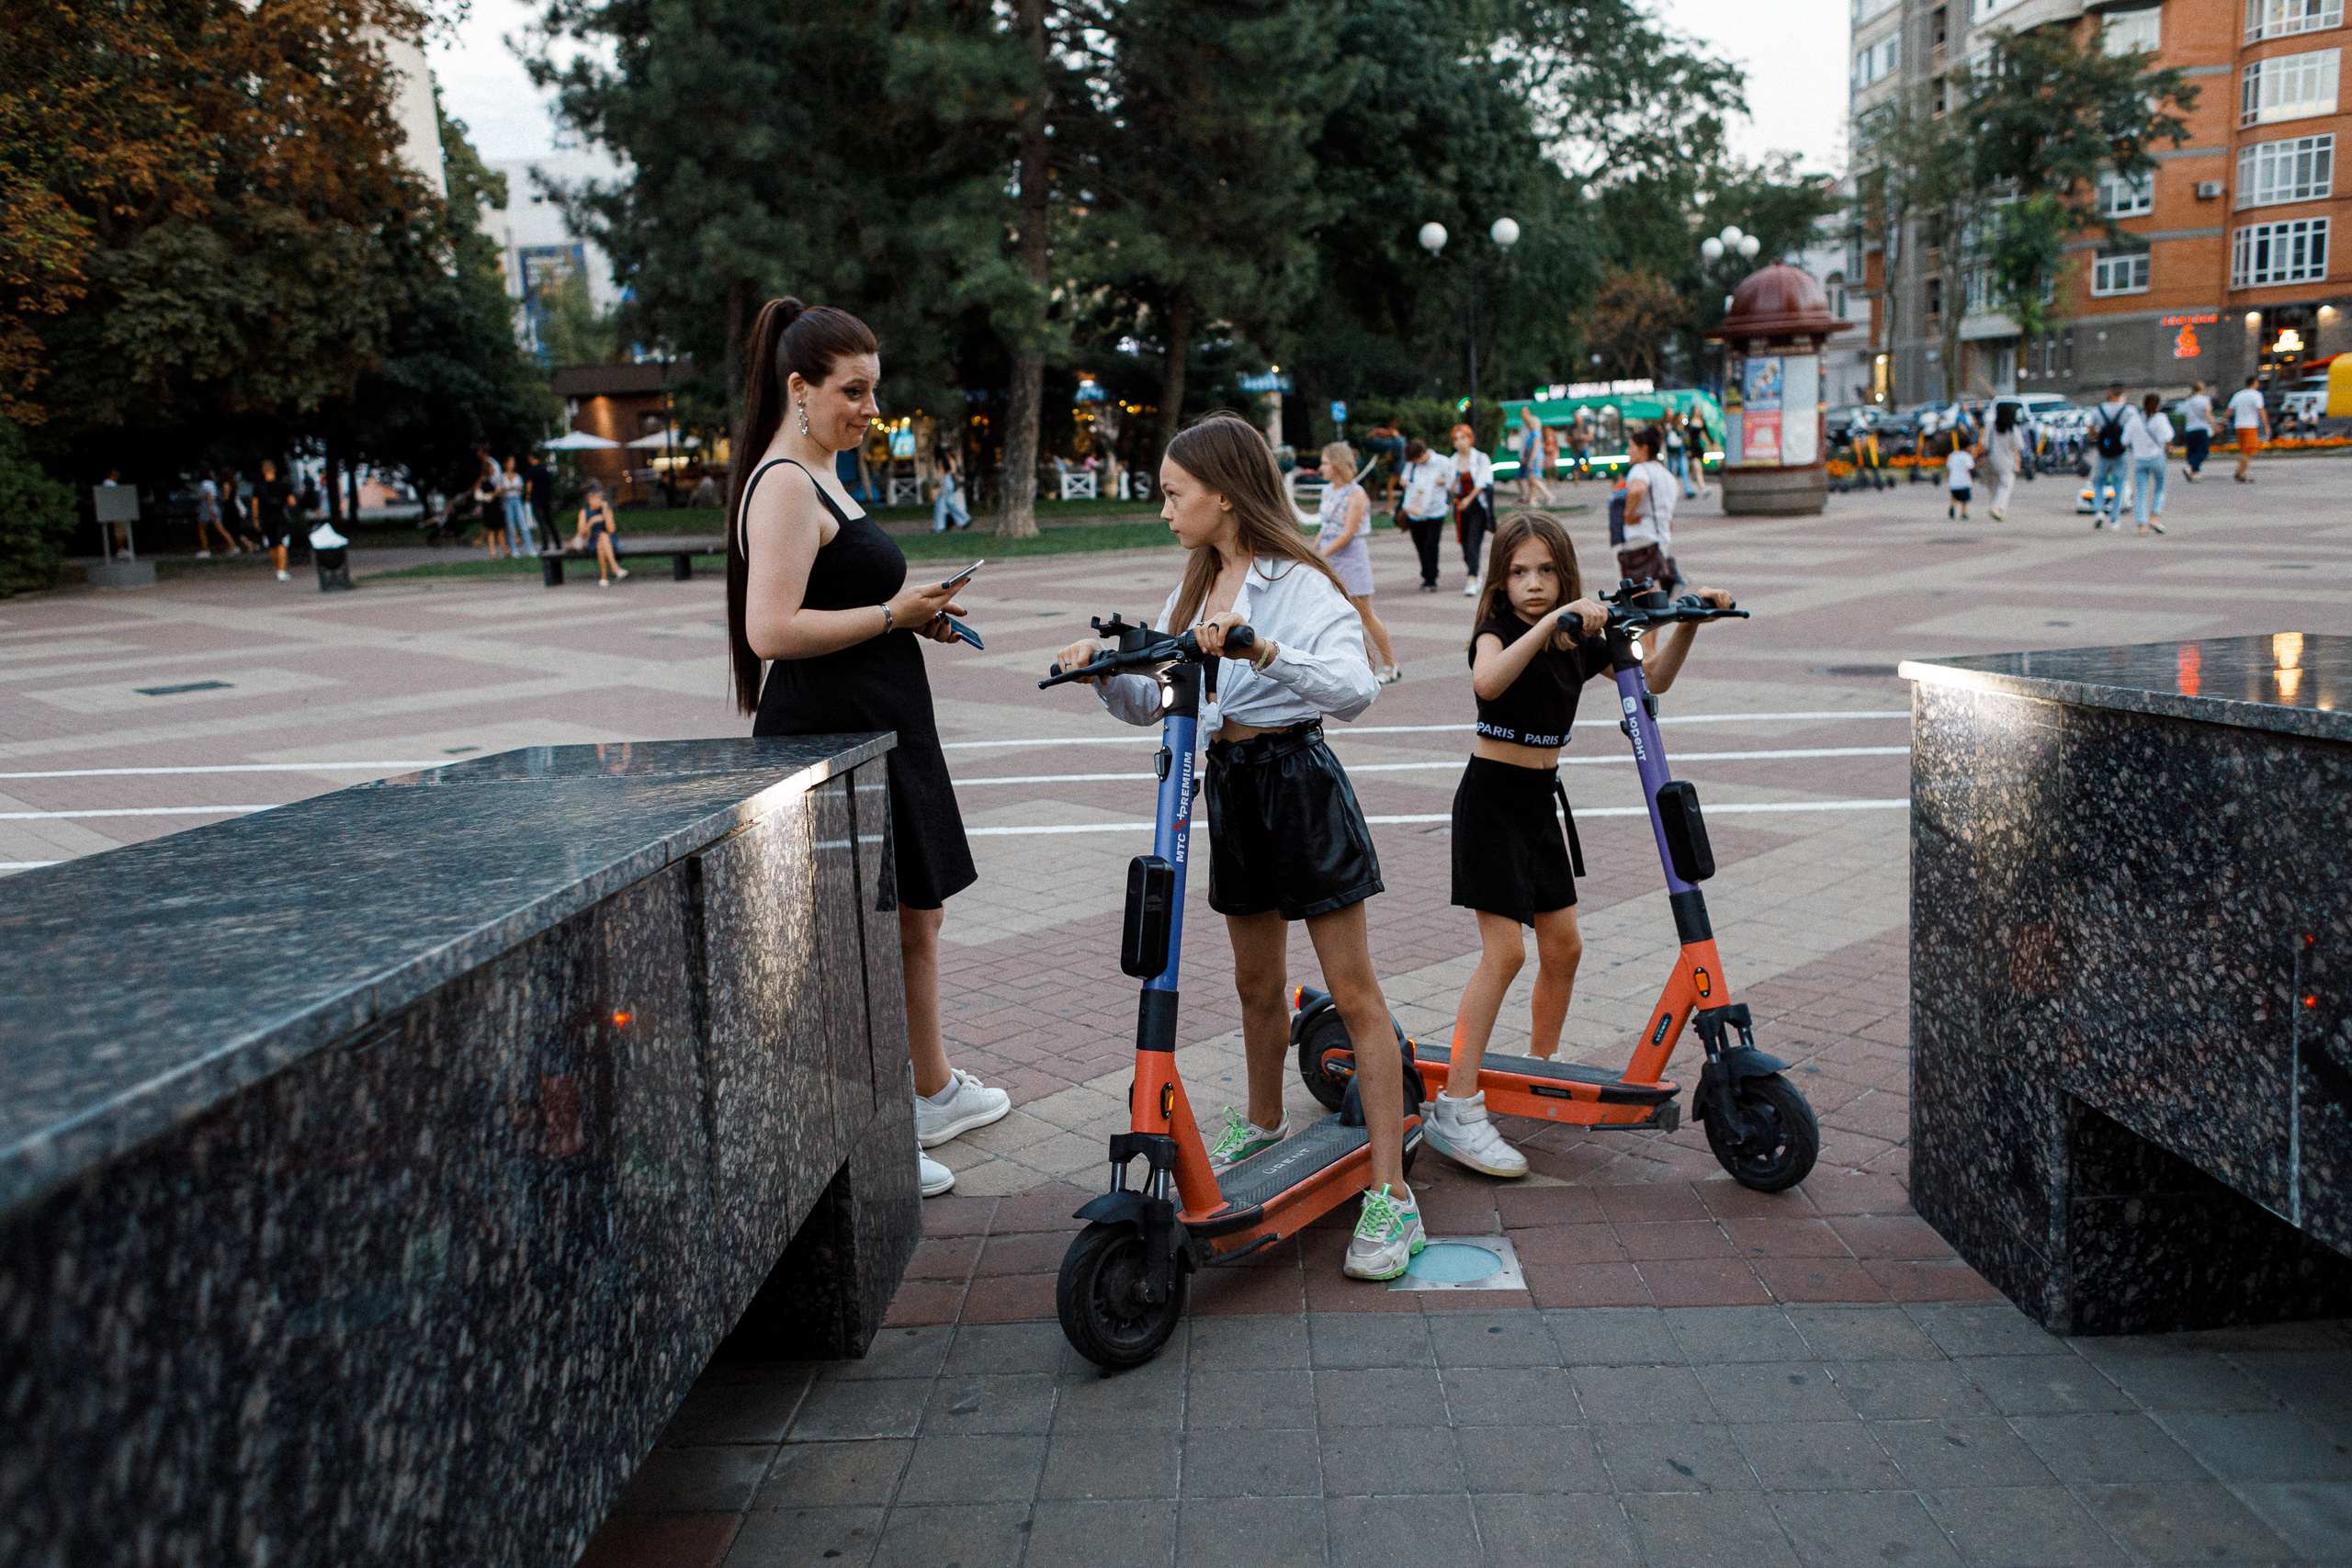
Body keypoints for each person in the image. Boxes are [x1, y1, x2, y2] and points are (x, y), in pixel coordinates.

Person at [1053, 412, 1416, 1278]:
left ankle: (1393, 1197)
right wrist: (1108, 674)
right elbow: (1167, 705)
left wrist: (1265, 646)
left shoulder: (1299, 584)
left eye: (1175, 493)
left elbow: (1356, 686)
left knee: (1354, 991)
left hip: (1299, 781)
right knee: (1257, 983)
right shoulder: (1198, 585)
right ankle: (1261, 1125)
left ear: (1222, 492)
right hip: (1231, 788)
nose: (1166, 509)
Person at [729, 297, 1009, 1201]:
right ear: (799, 387)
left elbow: (834, 603)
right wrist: (894, 613)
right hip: (829, 736)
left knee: (914, 915)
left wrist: (909, 620)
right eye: (854, 391)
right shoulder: (783, 482)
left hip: (880, 719)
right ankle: (873, 1129)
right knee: (856, 944)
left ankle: (928, 1091)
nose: (869, 410)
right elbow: (770, 628)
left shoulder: (824, 471)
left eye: (873, 391)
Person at [1431, 512, 1732, 1176]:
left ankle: (1538, 1069)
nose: (1532, 584)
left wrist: (1684, 624)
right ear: (1499, 582)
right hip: (1491, 802)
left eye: (1545, 571)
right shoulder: (1501, 629)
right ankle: (1456, 1106)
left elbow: (1652, 678)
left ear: (1566, 573)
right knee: (1504, 954)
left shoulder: (1578, 637)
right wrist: (1551, 622)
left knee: (1564, 947)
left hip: (1541, 804)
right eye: (1518, 573)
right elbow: (1487, 681)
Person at [1314, 442, 1399, 683]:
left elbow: (1348, 533)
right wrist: (1312, 550)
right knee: (1334, 613)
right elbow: (1326, 527)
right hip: (1330, 554)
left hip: (1350, 557)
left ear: (1338, 466)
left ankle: (1390, 664)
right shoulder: (1328, 491)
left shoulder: (1357, 494)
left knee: (1364, 614)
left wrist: (1322, 554)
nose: (1322, 468)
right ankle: (1352, 663)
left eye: (1326, 463)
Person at [1614, 427, 1680, 594]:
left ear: (1644, 448)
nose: (1628, 451)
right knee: (1652, 593)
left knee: (1637, 592)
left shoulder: (1640, 470)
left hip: (1640, 540)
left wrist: (1628, 514)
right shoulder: (1667, 475)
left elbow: (1637, 489)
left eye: (1631, 447)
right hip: (1661, 540)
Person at [1398, 436, 1453, 593]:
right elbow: (1403, 479)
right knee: (1419, 544)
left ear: (1423, 454)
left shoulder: (1441, 462)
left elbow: (1451, 481)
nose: (1416, 462)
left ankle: (1431, 577)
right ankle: (1425, 573)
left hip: (1435, 510)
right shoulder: (1411, 465)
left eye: (1417, 459)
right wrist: (1407, 484)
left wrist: (1443, 482)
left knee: (1431, 544)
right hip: (1415, 510)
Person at [1449, 423, 1496, 597]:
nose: (1460, 442)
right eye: (1456, 439)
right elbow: (1450, 484)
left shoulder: (1481, 458)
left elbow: (1483, 481)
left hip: (1477, 506)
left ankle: (1473, 577)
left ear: (1470, 439)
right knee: (1464, 542)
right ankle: (1473, 571)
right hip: (1460, 506)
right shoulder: (1451, 461)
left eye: (1463, 437)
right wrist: (1449, 486)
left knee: (1473, 542)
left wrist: (1469, 498)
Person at [2088, 384, 2134, 530]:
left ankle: (2099, 512)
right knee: (2119, 484)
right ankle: (2114, 520)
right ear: (2122, 394)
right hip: (2121, 452)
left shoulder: (2098, 411)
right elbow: (2131, 432)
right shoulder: (2128, 411)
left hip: (2103, 452)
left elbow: (2091, 434)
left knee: (2098, 482)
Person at [2128, 391, 2172, 536]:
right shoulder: (2160, 418)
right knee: (2160, 488)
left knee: (2141, 492)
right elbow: (2168, 436)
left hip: (2140, 459)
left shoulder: (2135, 420)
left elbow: (2124, 440)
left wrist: (2135, 448)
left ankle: (2142, 526)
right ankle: (2154, 517)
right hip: (2157, 456)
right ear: (2158, 405)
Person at [254, 459, 298, 581]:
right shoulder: (283, 485)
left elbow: (254, 505)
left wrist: (256, 520)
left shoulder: (259, 486)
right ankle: (282, 571)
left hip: (265, 518)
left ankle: (277, 568)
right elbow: (292, 501)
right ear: (274, 470)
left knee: (272, 545)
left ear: (263, 471)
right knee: (282, 543)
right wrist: (284, 505)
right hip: (280, 516)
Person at [577, 481, 628, 586]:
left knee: (603, 537)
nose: (596, 500)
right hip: (591, 541)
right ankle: (614, 568)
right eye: (594, 498)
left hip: (609, 541)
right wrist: (591, 522)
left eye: (598, 498)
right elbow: (581, 534)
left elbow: (611, 529)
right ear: (589, 499)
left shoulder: (606, 509)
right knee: (601, 539)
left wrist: (605, 511)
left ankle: (604, 577)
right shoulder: (584, 512)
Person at [1980, 403, 2024, 521]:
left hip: (1992, 460)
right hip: (2007, 461)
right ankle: (1997, 507)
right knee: (2006, 485)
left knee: (1993, 486)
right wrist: (2018, 463)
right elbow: (2017, 448)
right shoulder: (2013, 428)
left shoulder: (1990, 426)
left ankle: (1997, 508)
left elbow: (1984, 444)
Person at [2229, 374, 2269, 483]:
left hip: (2239, 426)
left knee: (2243, 450)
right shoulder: (2256, 395)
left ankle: (2239, 470)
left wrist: (2222, 421)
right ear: (2255, 383)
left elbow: (2230, 410)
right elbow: (2261, 410)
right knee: (2247, 451)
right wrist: (2266, 425)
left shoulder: (2238, 395)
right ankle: (2241, 475)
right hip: (2250, 426)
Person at [194, 474, 237, 558]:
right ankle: (233, 546)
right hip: (213, 505)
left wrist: (211, 510)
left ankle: (205, 550)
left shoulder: (204, 483)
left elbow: (208, 496)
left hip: (207, 506)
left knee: (202, 529)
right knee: (220, 528)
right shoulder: (212, 484)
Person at [2179, 381, 2214, 481]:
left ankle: (2193, 473)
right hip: (2201, 428)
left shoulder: (2187, 401)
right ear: (2202, 389)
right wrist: (2215, 425)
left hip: (2190, 429)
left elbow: (2186, 417)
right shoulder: (2205, 400)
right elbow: (2208, 414)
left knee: (2192, 451)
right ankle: (2190, 468)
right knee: (2203, 451)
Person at [499, 457, 534, 556]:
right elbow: (501, 491)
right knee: (510, 527)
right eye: (510, 462)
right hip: (508, 501)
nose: (512, 465)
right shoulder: (503, 477)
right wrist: (506, 490)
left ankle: (530, 548)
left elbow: (521, 490)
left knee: (524, 525)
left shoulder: (517, 476)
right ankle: (514, 550)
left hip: (517, 500)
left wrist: (513, 489)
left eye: (513, 463)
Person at [931, 446, 970, 533]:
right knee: (950, 503)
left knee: (940, 505)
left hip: (945, 481)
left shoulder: (940, 461)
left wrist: (940, 487)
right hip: (950, 481)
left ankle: (939, 527)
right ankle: (964, 519)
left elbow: (941, 475)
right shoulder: (949, 460)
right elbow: (953, 471)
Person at [1515, 406, 1545, 504]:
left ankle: (1541, 497)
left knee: (1533, 479)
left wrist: (1530, 460)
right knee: (1528, 479)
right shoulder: (1525, 428)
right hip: (1527, 457)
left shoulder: (1534, 432)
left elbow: (1534, 447)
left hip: (1533, 458)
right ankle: (1530, 498)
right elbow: (1524, 445)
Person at [1945, 437, 1974, 521]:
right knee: (1965, 499)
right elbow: (1970, 468)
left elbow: (1948, 468)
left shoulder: (1952, 455)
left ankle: (1952, 505)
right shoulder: (1967, 456)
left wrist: (1949, 478)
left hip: (1953, 481)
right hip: (1964, 481)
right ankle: (1963, 513)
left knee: (1955, 497)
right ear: (1967, 446)